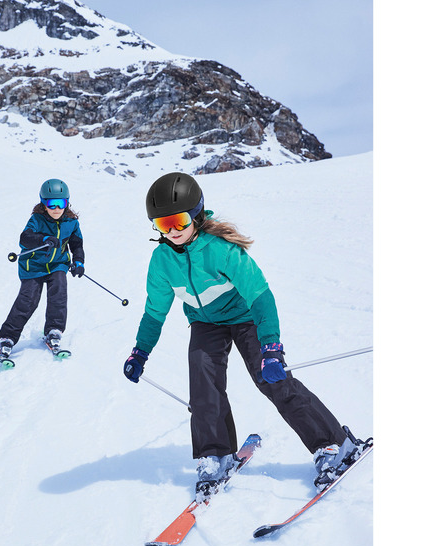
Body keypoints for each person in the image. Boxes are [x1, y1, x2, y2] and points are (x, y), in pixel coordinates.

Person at [123, 172, 350, 501]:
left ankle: (334, 444)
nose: (172, 231)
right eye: (162, 224)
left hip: (245, 317)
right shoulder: (161, 261)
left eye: (177, 220)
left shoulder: (221, 249)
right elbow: (155, 311)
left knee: (272, 379)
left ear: (197, 214)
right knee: (202, 383)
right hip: (205, 322)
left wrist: (271, 346)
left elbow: (260, 296)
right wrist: (140, 352)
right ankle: (215, 454)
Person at [0, 178, 85, 358]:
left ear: (67, 203)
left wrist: (79, 261)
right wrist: (43, 239)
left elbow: (77, 244)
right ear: (43, 204)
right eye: (51, 204)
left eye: (61, 204)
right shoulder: (37, 220)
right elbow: (25, 238)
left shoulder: (71, 222)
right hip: (33, 266)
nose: (56, 209)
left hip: (57, 264)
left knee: (59, 295)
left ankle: (54, 330)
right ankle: (7, 336)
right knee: (28, 301)